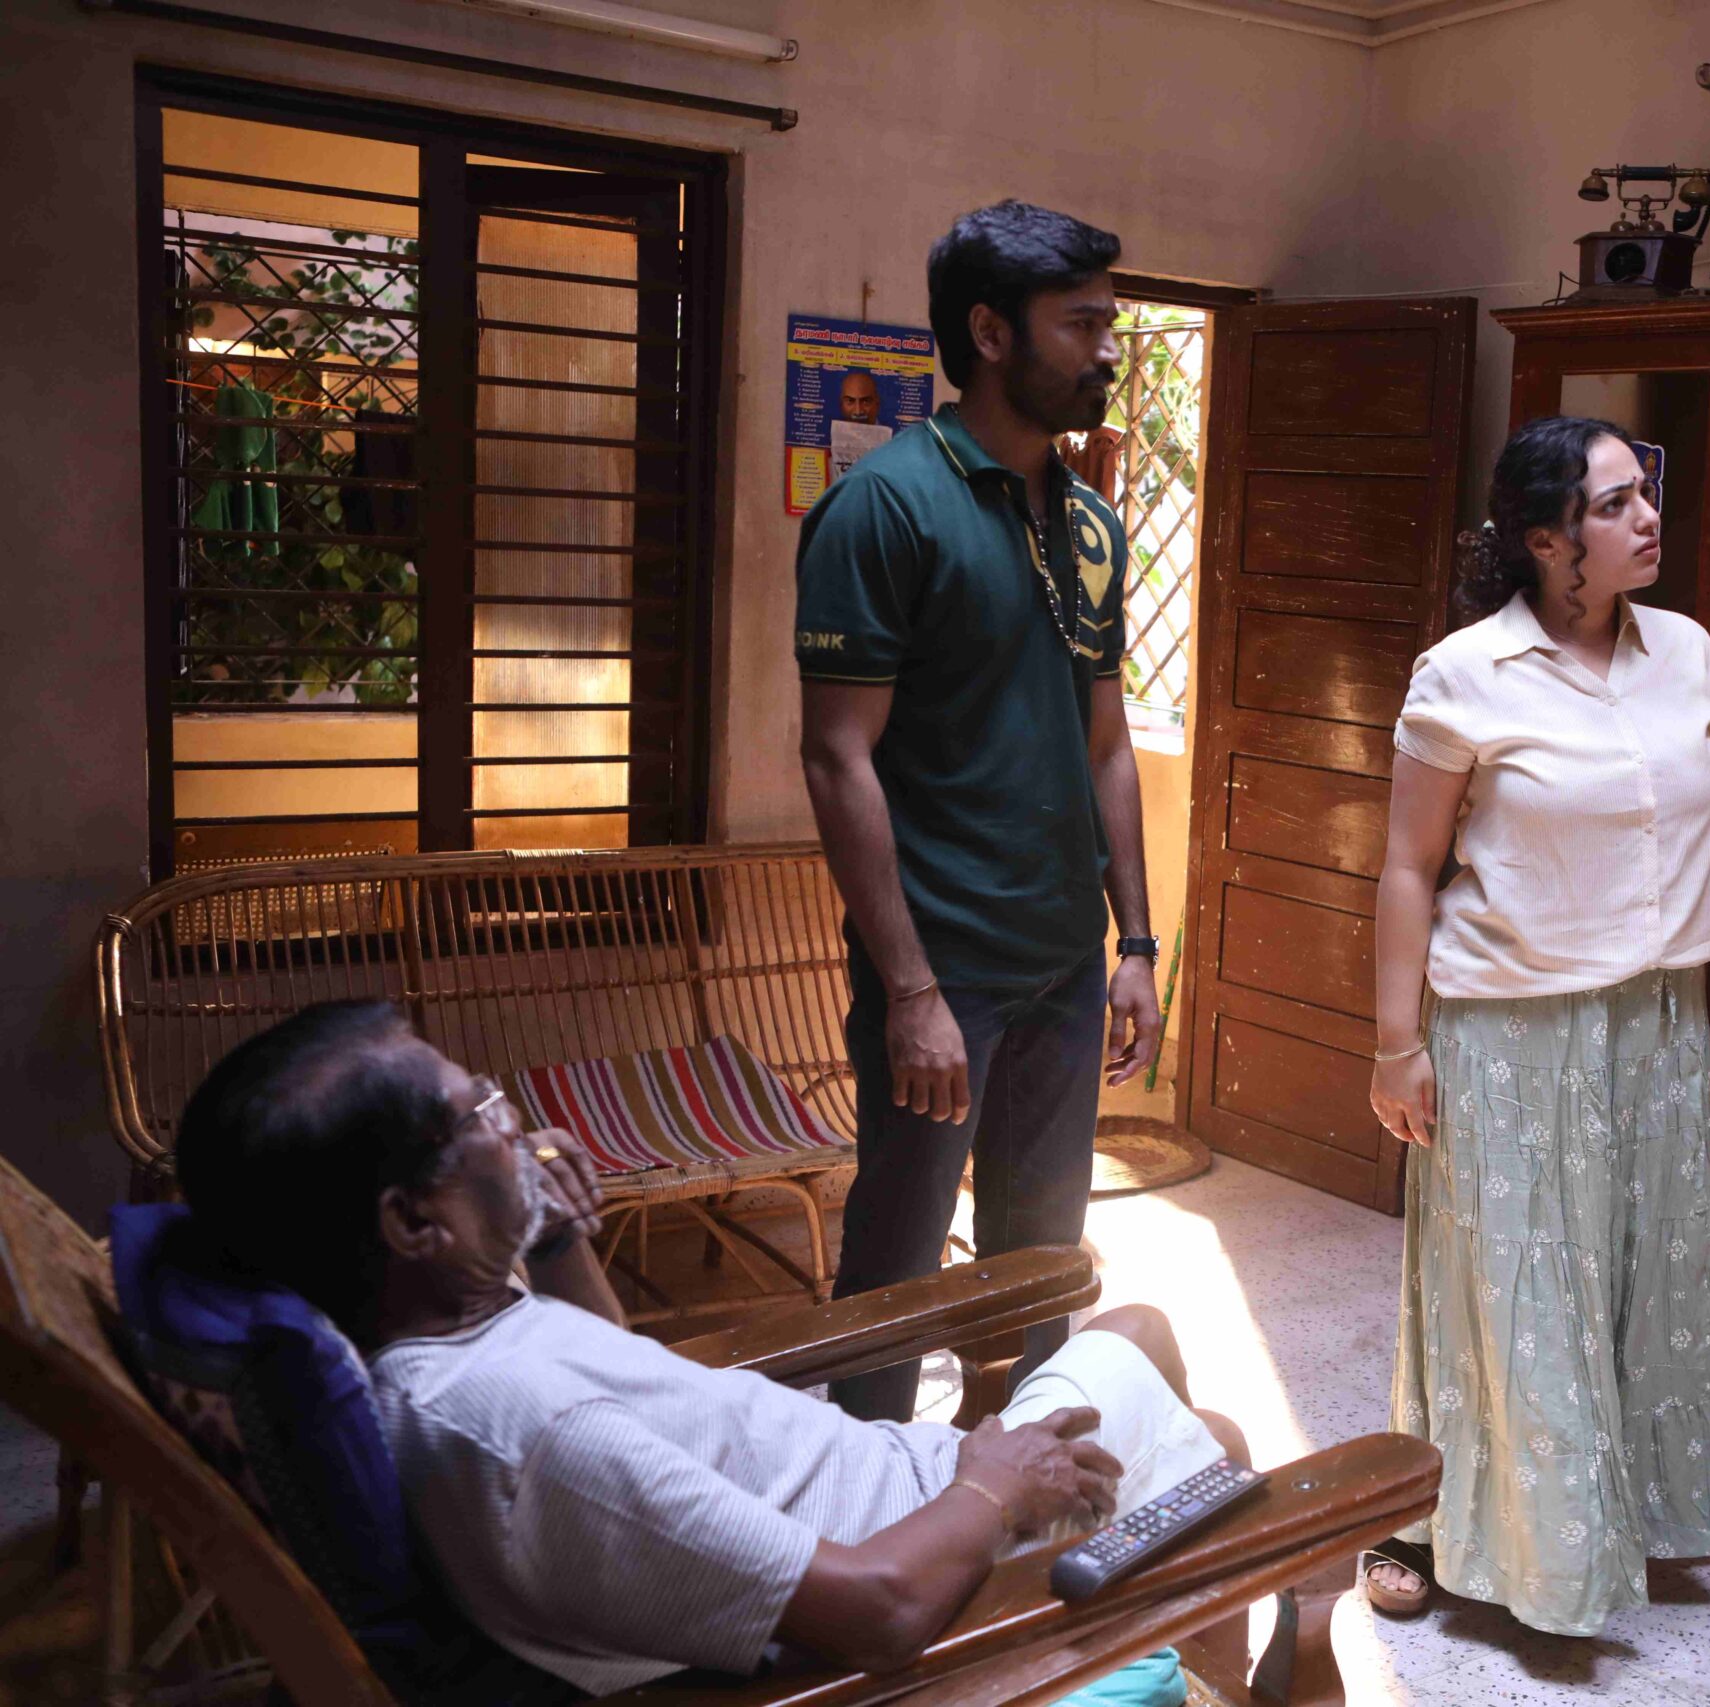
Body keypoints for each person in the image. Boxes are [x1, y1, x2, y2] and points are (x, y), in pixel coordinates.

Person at [170, 1000, 1241, 1696]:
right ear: (414, 1223)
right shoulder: (523, 1435)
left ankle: (1212, 1651)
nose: (514, 1121)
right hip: (932, 1561)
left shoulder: (451, 1345)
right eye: (480, 1111)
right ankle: (1233, 1667)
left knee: (1143, 1342)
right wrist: (994, 1487)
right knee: (1221, 1448)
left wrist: (553, 1240)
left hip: (888, 1491)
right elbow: (879, 1614)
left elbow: (611, 1383)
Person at [1365, 416, 1710, 1635]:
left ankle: (1622, 1520)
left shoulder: (1685, 651)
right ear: (1545, 542)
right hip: (1509, 1026)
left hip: (1656, 1019)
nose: (1647, 516)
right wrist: (1394, 1044)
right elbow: (1407, 869)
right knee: (1514, 1287)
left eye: (1643, 492)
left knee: (1646, 1276)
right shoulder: (1463, 673)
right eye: (1612, 504)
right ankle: (1435, 1525)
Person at [797, 201, 1163, 1421]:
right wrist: (909, 992)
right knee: (898, 1265)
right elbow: (837, 758)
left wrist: (1134, 944)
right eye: (1082, 324)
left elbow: (1106, 744)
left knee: (1041, 1264)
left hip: (1063, 963)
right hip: (943, 966)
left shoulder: (1091, 523)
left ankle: (1017, 1482)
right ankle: (862, 1495)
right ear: (992, 334)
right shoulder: (885, 507)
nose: (1107, 349)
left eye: (1110, 323)